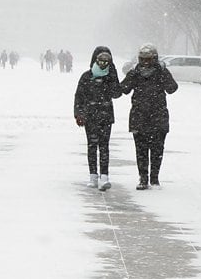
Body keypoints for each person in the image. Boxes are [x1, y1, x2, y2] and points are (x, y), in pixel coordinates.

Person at [120, 43, 178, 190]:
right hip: (139, 117)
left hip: (158, 116)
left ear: (155, 59)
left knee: (157, 150)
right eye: (143, 59)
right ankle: (143, 178)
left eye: (149, 59)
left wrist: (163, 72)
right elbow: (123, 89)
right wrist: (130, 74)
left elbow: (172, 88)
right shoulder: (135, 72)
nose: (146, 63)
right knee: (141, 150)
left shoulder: (161, 72)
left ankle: (155, 178)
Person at [74, 47, 122, 190]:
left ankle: (104, 176)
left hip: (106, 116)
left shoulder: (110, 77)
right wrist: (79, 113)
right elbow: (79, 97)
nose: (103, 64)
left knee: (104, 146)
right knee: (92, 145)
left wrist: (113, 76)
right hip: (90, 116)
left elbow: (117, 94)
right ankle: (93, 175)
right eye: (100, 60)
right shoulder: (86, 76)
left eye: (106, 61)